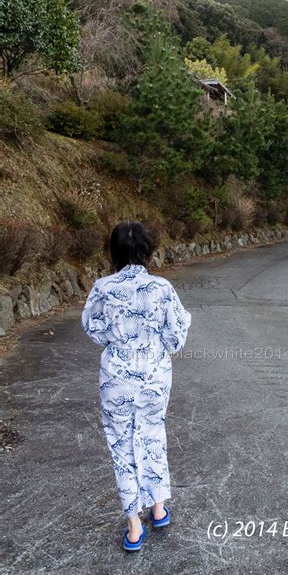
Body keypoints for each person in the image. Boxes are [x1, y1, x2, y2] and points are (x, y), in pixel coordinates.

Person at [81, 220, 191, 551]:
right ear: (147, 251)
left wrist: (118, 341)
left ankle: (133, 526)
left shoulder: (102, 288)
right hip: (155, 376)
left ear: (113, 252)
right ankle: (158, 509)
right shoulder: (162, 289)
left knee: (121, 446)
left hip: (116, 377)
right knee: (153, 432)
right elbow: (176, 338)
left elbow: (93, 329)